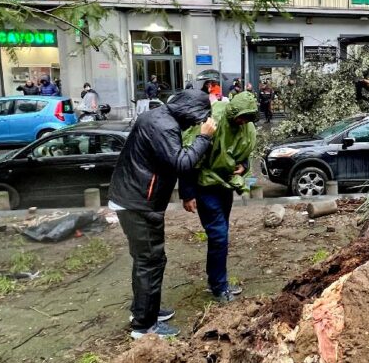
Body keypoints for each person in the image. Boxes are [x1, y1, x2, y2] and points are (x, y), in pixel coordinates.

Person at [108, 89, 217, 339]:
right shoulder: (164, 127)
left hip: (132, 198)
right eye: (197, 118)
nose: (196, 123)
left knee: (146, 260)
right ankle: (144, 327)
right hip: (139, 203)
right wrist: (204, 138)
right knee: (151, 261)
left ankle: (145, 310)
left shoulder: (157, 117)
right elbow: (181, 162)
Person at [180, 91, 259, 303]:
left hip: (224, 186)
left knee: (220, 235)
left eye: (248, 118)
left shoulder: (247, 128)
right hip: (205, 186)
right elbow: (189, 156)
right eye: (241, 117)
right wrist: (187, 193)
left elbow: (245, 156)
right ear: (232, 112)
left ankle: (215, 279)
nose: (243, 122)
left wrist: (244, 167)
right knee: (219, 235)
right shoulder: (211, 122)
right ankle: (219, 286)